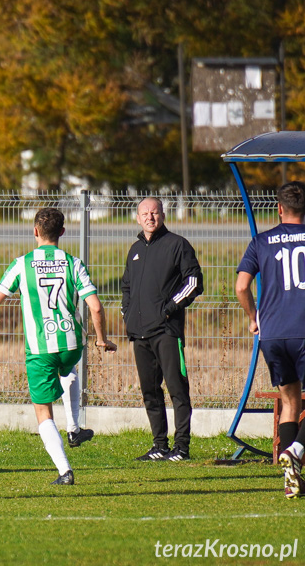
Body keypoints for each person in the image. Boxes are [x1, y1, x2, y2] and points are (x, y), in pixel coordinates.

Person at [0, 208, 116, 485]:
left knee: (43, 410)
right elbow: (96, 308)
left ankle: (65, 471)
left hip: (40, 348)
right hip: (72, 342)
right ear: (62, 232)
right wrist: (101, 338)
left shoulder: (21, 264)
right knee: (68, 370)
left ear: (35, 231)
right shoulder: (73, 263)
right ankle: (74, 428)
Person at [235, 181, 305, 498]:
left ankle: (292, 479)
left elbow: (240, 286)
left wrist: (254, 317)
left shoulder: (261, 241)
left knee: (290, 402)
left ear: (278, 208)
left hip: (273, 333)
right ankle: (297, 452)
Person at [121, 197, 203, 462]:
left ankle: (182, 447)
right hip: (140, 334)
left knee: (177, 389)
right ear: (137, 218)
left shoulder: (177, 245)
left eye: (154, 212)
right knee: (150, 392)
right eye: (144, 213)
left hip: (167, 331)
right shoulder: (134, 249)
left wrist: (168, 309)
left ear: (163, 215)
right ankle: (159, 445)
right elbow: (126, 288)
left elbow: (193, 282)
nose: (149, 218)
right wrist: (128, 314)